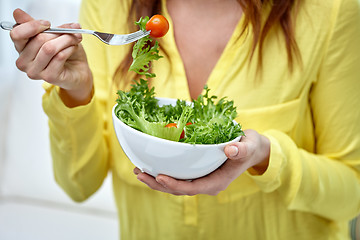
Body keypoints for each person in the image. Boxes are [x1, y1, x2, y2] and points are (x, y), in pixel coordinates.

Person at [8, 0, 360, 239]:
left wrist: (267, 158)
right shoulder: (112, 6)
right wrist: (76, 91)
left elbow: (351, 194)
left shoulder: (331, 11)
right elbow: (77, 185)